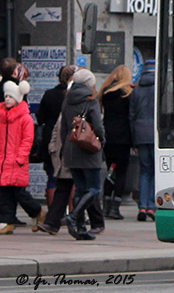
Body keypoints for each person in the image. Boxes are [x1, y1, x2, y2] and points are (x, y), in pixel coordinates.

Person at [61, 68, 106, 239]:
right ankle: (73, 217)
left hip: (70, 148)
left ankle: (80, 228)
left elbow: (64, 127)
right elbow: (98, 125)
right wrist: (102, 141)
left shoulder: (67, 99)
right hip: (88, 149)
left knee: (80, 189)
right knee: (94, 188)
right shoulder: (90, 100)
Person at [35, 65, 76, 215]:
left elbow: (40, 117)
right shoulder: (73, 96)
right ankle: (73, 211)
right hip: (69, 137)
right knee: (71, 178)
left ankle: (53, 213)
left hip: (50, 137)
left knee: (52, 175)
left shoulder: (49, 94)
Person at [1, 79, 40, 235]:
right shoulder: (2, 117)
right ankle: (7, 221)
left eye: (10, 97)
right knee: (4, 193)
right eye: (5, 97)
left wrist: (21, 157)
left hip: (17, 161)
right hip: (3, 161)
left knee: (19, 193)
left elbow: (27, 140)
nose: (7, 99)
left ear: (18, 98)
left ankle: (37, 212)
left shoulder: (25, 118)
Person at [99, 66, 135, 220]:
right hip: (123, 138)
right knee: (121, 172)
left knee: (110, 170)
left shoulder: (105, 93)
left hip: (108, 136)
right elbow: (130, 117)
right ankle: (115, 207)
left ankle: (106, 204)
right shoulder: (127, 94)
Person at [129, 60, 156, 221]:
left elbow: (131, 116)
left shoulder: (136, 91)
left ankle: (142, 205)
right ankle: (152, 206)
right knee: (154, 172)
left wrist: (134, 141)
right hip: (155, 134)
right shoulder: (160, 88)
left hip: (140, 134)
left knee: (144, 171)